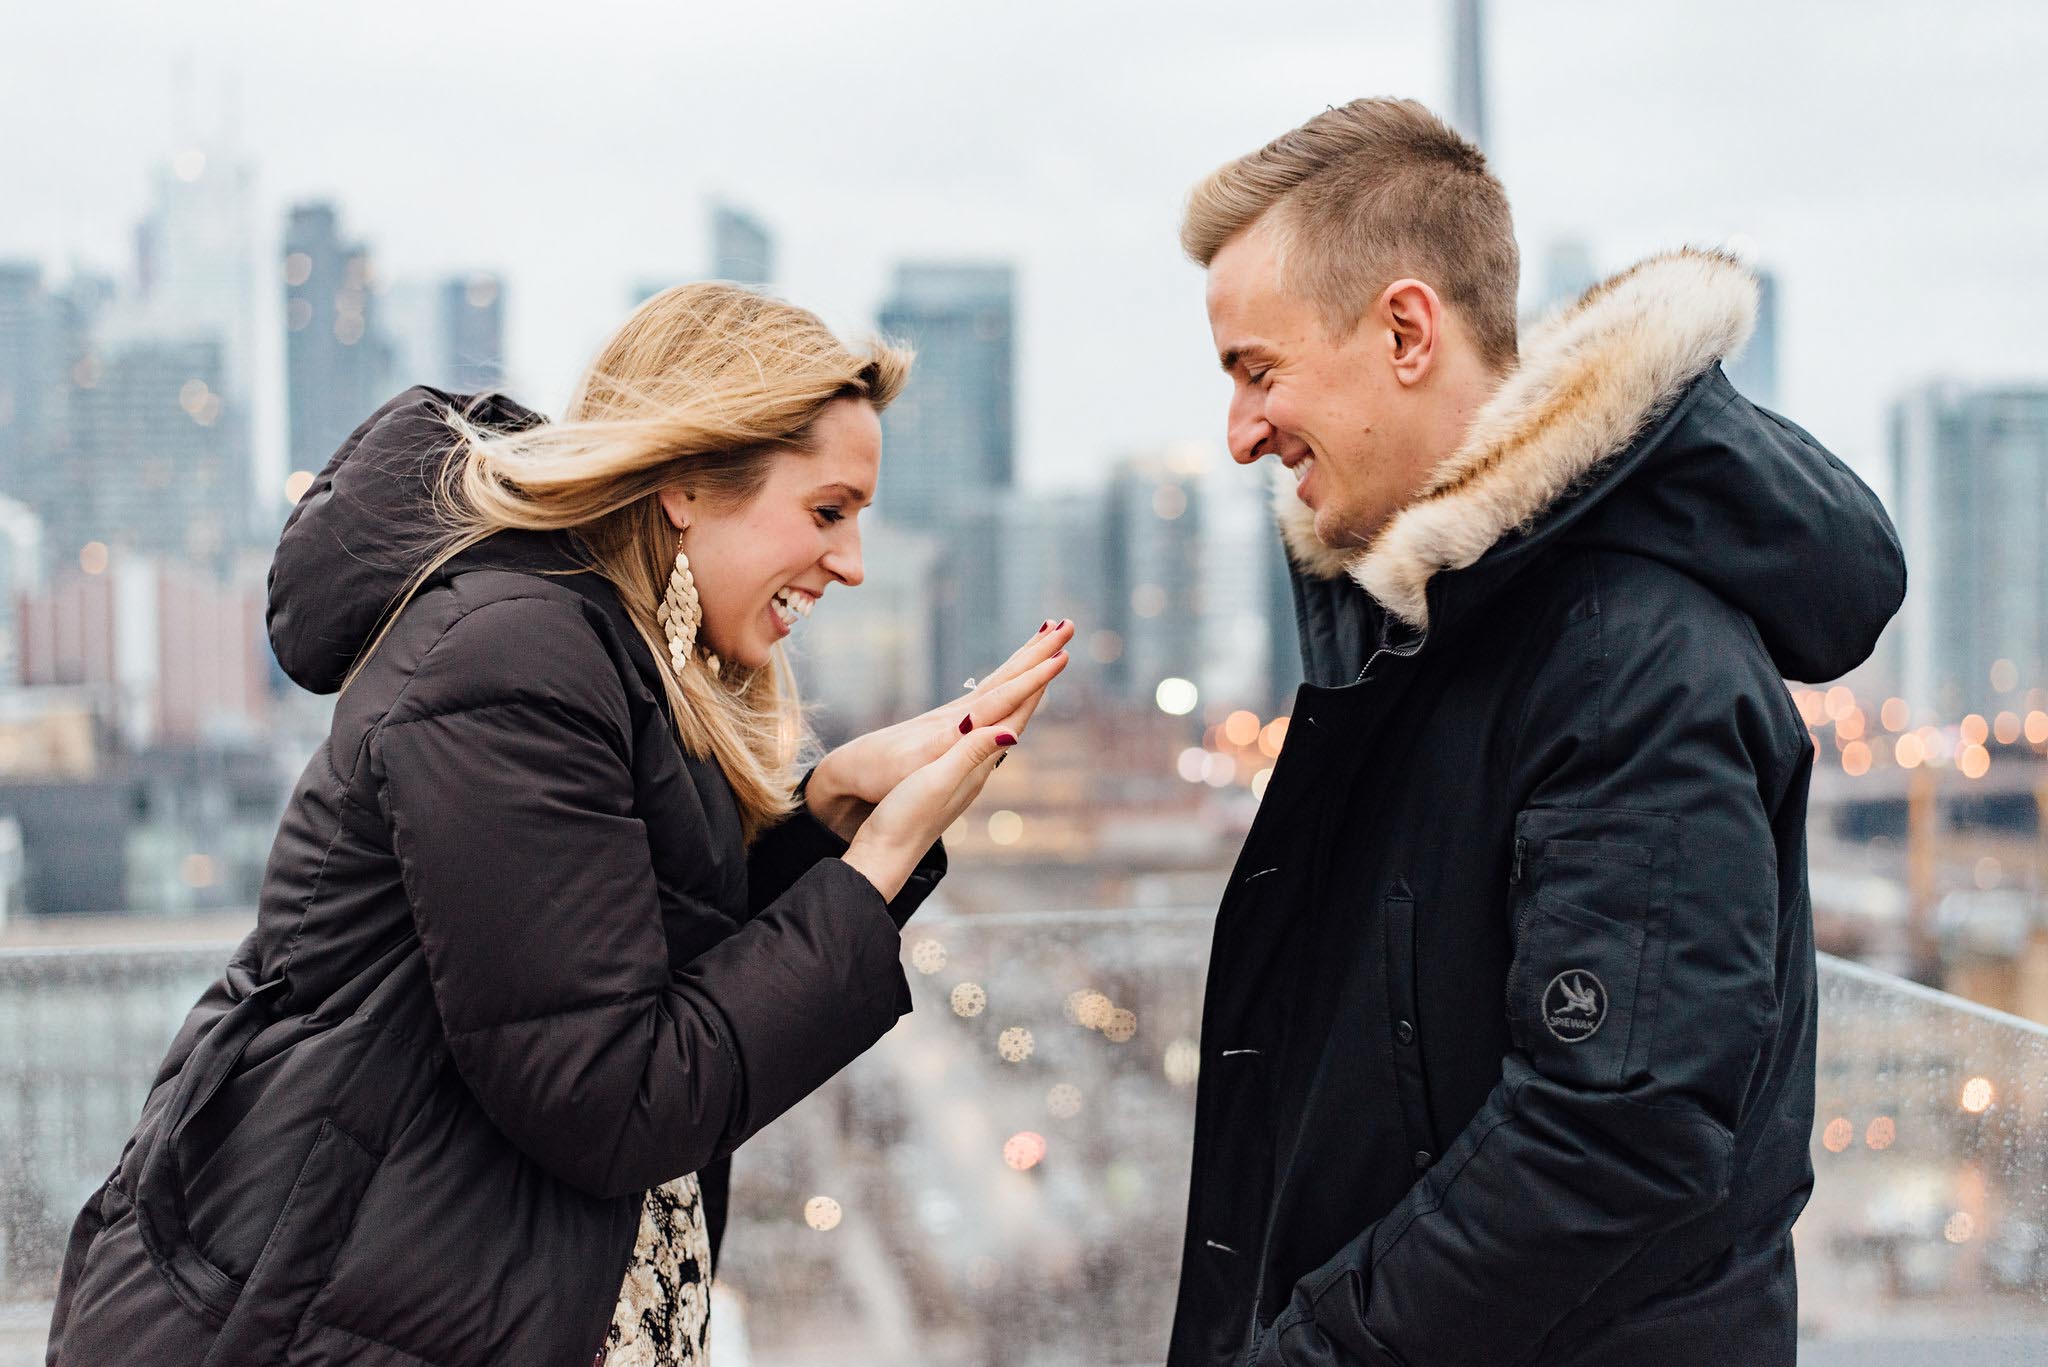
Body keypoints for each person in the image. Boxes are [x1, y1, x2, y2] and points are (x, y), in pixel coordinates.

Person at [45, 283, 1073, 1366]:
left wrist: (826, 820)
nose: (854, 560)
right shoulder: (517, 659)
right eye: (827, 509)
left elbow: (616, 971)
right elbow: (611, 1091)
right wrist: (866, 873)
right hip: (319, 1319)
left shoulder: (596, 652)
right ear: (686, 480)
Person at [1167, 99, 1903, 1366]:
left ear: (1406, 329)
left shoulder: (1630, 661)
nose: (1239, 432)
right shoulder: (1440, 633)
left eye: (1256, 369)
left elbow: (1608, 1139)